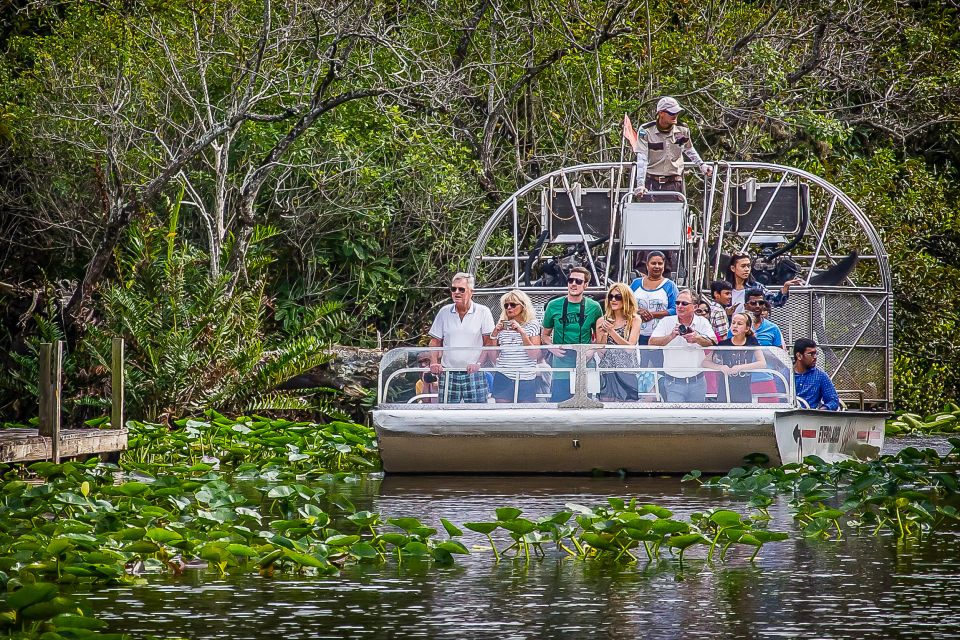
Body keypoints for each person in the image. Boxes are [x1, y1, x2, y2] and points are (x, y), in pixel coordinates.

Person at [427, 272, 495, 403]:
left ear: (471, 292)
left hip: (474, 373)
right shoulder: (444, 312)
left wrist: (478, 364)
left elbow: (488, 343)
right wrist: (434, 362)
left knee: (477, 414)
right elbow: (435, 341)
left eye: (461, 289)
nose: (456, 292)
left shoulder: (483, 311)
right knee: (446, 414)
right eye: (453, 289)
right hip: (449, 372)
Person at [541, 266, 604, 402]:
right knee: (560, 404)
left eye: (578, 281)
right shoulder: (553, 305)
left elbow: (600, 339)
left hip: (585, 362)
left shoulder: (594, 307)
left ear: (586, 285)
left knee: (588, 404)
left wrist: (591, 350)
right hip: (562, 362)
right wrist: (552, 347)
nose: (574, 284)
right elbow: (544, 335)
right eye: (571, 280)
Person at [631, 96, 713, 199]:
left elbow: (688, 149)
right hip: (651, 182)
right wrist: (640, 184)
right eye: (672, 113)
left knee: (675, 212)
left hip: (674, 183)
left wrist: (701, 165)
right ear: (661, 113)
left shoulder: (681, 130)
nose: (675, 116)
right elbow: (642, 158)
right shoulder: (646, 131)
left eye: (677, 113)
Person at [649, 289, 716, 402]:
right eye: (677, 303)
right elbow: (651, 343)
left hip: (697, 381)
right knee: (676, 418)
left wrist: (697, 338)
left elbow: (714, 342)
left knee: (696, 418)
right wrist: (671, 336)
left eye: (684, 303)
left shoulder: (702, 322)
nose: (680, 306)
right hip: (673, 382)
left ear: (694, 307)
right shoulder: (666, 321)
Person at [489, 289, 542, 403]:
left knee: (525, 415)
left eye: (513, 305)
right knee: (502, 415)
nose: (509, 308)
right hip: (504, 375)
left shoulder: (532, 324)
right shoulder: (502, 325)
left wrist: (522, 332)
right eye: (506, 305)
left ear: (523, 306)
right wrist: (494, 335)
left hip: (526, 376)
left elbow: (534, 355)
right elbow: (493, 357)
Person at [702, 312, 767, 403]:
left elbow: (762, 363)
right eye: (733, 323)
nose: (735, 326)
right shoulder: (724, 344)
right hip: (725, 387)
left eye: (739, 324)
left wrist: (740, 367)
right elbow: (705, 362)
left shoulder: (752, 342)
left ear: (747, 328)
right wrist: (720, 367)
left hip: (744, 389)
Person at [630, 250, 677, 372]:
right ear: (647, 265)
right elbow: (626, 305)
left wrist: (653, 315)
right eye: (653, 263)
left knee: (660, 371)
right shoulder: (635, 284)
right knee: (640, 370)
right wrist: (638, 311)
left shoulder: (670, 286)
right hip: (638, 336)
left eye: (660, 263)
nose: (657, 266)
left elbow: (675, 309)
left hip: (660, 336)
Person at [594, 282, 642, 402]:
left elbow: (629, 348)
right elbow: (601, 351)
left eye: (618, 297)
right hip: (607, 370)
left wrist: (611, 331)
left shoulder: (634, 320)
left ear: (626, 299)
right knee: (606, 408)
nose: (613, 300)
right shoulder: (601, 320)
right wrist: (604, 334)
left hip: (627, 371)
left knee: (629, 409)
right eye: (611, 296)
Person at [743, 291, 788, 402]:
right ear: (746, 305)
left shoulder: (773, 328)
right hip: (742, 378)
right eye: (753, 303)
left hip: (766, 377)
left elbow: (780, 356)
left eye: (761, 302)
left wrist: (764, 352)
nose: (758, 306)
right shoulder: (736, 326)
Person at [727, 253, 802, 313]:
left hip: (751, 329)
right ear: (733, 268)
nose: (746, 269)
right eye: (743, 266)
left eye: (748, 266)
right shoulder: (726, 288)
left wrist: (785, 287)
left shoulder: (756, 286)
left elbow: (776, 301)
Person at [793, 338, 840, 410]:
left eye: (816, 353)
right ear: (799, 356)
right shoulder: (786, 374)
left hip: (811, 417)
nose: (815, 357)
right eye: (811, 354)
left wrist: (821, 410)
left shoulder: (820, 375)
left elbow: (833, 401)